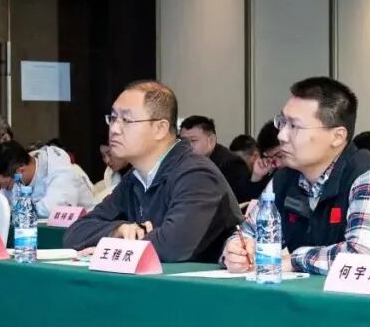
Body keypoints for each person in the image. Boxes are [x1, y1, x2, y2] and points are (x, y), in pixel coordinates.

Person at [222, 77, 370, 275]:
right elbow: (247, 235)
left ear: (337, 136)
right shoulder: (284, 178)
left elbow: (361, 257)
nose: (281, 135)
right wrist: (236, 253)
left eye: (294, 126)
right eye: (282, 123)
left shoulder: (367, 177)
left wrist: (294, 260)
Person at [64, 81, 241, 263]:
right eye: (113, 118)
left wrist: (113, 247)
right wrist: (117, 230)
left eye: (126, 120)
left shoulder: (197, 174)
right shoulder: (134, 178)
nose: (114, 129)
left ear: (160, 129)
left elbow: (172, 245)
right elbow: (75, 234)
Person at [0, 141, 96, 217]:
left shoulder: (60, 171)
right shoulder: (19, 167)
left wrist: (9, 210)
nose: (4, 189)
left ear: (20, 172)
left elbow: (50, 209)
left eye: (5, 185)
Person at [180, 115, 258, 204]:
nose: (186, 146)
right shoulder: (183, 162)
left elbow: (238, 203)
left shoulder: (231, 164)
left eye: (193, 140)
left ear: (211, 141)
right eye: (183, 141)